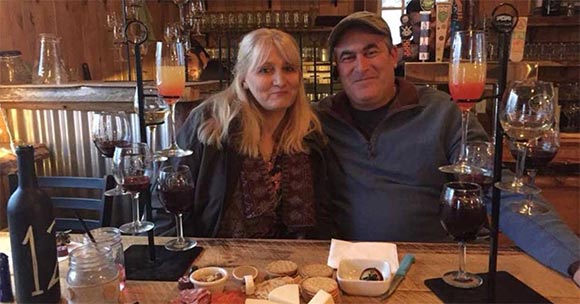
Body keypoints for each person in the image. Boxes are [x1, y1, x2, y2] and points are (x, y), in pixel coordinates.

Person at [315, 11, 579, 283]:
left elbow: (500, 189)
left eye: (371, 52)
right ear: (337, 67)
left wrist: (574, 260)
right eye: (348, 57)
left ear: (394, 56)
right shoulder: (318, 121)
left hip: (441, 265)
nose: (361, 66)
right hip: (353, 272)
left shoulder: (441, 113)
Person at [176, 28, 329, 239]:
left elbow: (326, 212)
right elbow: (169, 202)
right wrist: (184, 262)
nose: (280, 80)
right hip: (216, 266)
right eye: (265, 70)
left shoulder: (311, 131)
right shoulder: (210, 122)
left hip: (296, 265)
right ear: (244, 79)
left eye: (289, 68)